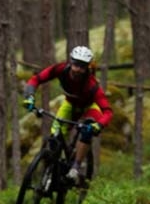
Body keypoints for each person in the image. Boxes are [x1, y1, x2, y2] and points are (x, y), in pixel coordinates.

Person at [23, 44, 113, 185]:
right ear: (71, 62)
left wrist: (99, 125)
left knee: (86, 128)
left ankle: (76, 167)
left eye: (82, 66)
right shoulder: (60, 69)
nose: (78, 69)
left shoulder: (92, 85)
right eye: (76, 64)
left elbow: (108, 111)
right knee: (55, 137)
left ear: (87, 68)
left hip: (89, 107)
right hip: (70, 105)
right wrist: (29, 96)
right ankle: (51, 171)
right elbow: (36, 79)